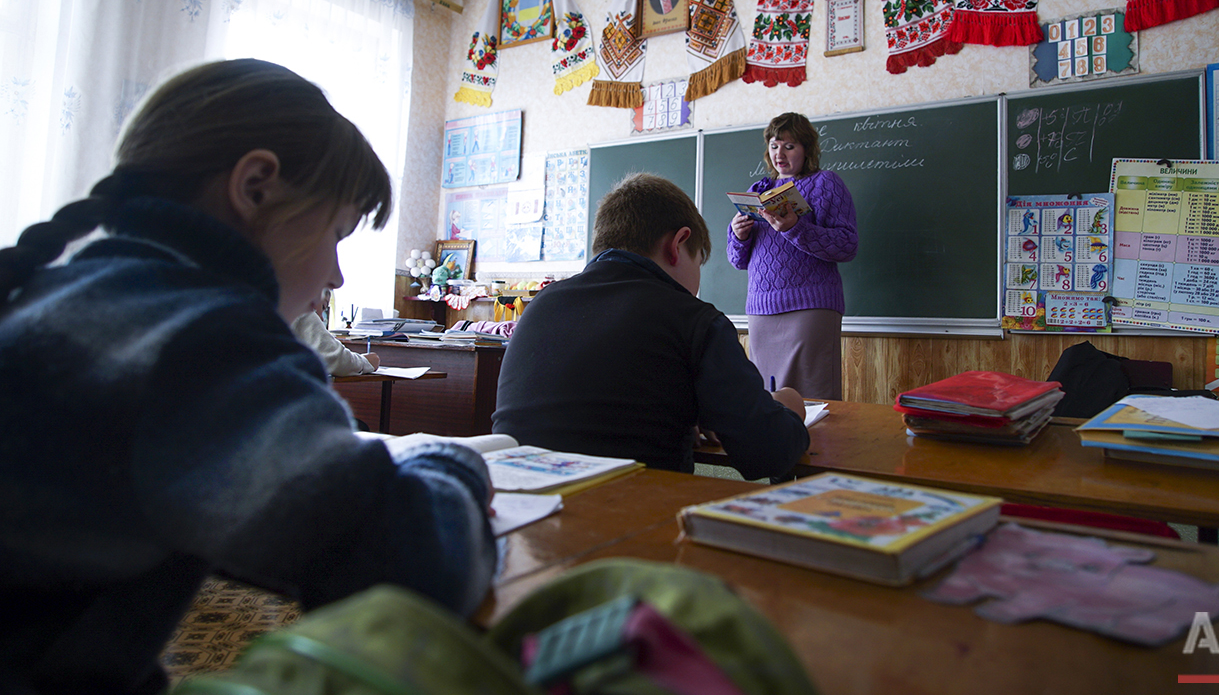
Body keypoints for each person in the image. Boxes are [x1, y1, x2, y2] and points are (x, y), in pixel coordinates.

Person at [0, 59, 497, 694]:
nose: (337, 277)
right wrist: (453, 462)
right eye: (337, 234)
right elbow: (417, 567)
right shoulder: (204, 338)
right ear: (255, 186)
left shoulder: (53, 295)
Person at [492, 173, 809, 479]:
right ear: (678, 244)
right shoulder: (693, 320)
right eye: (698, 261)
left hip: (517, 516)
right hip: (628, 518)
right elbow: (770, 453)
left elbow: (606, 403)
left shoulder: (541, 306)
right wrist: (788, 404)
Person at [727, 113, 858, 401]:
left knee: (813, 393)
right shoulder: (757, 191)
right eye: (774, 146)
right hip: (762, 308)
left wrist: (796, 229)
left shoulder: (826, 184)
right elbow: (737, 260)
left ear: (806, 149)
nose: (780, 154)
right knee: (765, 395)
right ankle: (774, 446)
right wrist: (739, 235)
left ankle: (819, 448)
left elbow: (847, 245)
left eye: (789, 146)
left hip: (810, 306)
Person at [291, 288, 380, 376]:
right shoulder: (300, 309)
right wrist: (365, 362)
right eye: (323, 307)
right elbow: (337, 359)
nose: (322, 318)